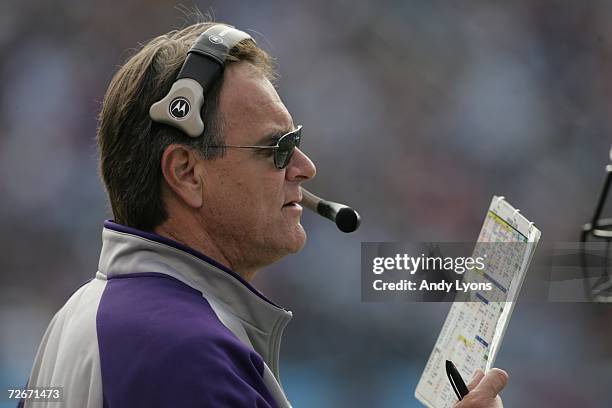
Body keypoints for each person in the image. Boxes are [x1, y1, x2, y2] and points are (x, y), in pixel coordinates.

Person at [20, 21, 508, 407]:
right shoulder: (185, 349)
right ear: (187, 172)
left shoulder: (79, 316)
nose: (305, 167)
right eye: (278, 147)